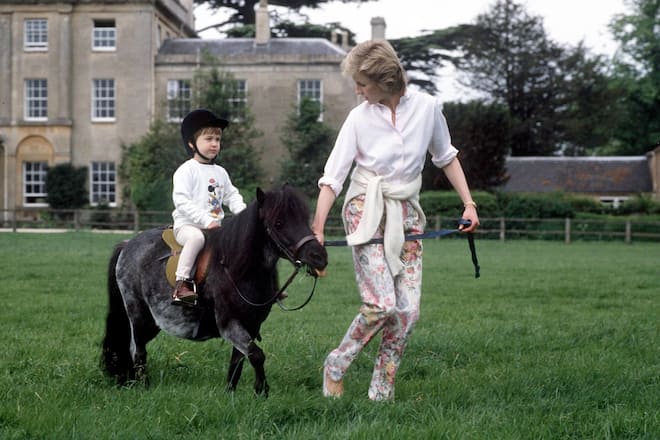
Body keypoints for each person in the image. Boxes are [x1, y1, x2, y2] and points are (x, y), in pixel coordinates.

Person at [311, 40, 480, 401]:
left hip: (406, 214)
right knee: (381, 305)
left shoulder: (428, 108)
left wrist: (469, 205)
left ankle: (382, 388)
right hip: (365, 210)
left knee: (406, 312)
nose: (357, 90)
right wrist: (317, 229)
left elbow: (446, 157)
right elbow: (333, 178)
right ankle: (336, 365)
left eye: (362, 83)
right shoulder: (358, 117)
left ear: (385, 80)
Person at [171, 109, 246, 305]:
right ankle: (181, 285)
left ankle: (254, 285)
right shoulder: (186, 170)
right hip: (187, 227)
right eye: (208, 139)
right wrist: (206, 221)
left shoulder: (220, 172)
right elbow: (181, 201)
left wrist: (245, 215)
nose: (214, 144)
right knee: (196, 238)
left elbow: (232, 196)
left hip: (214, 228)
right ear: (191, 143)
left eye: (218, 140)